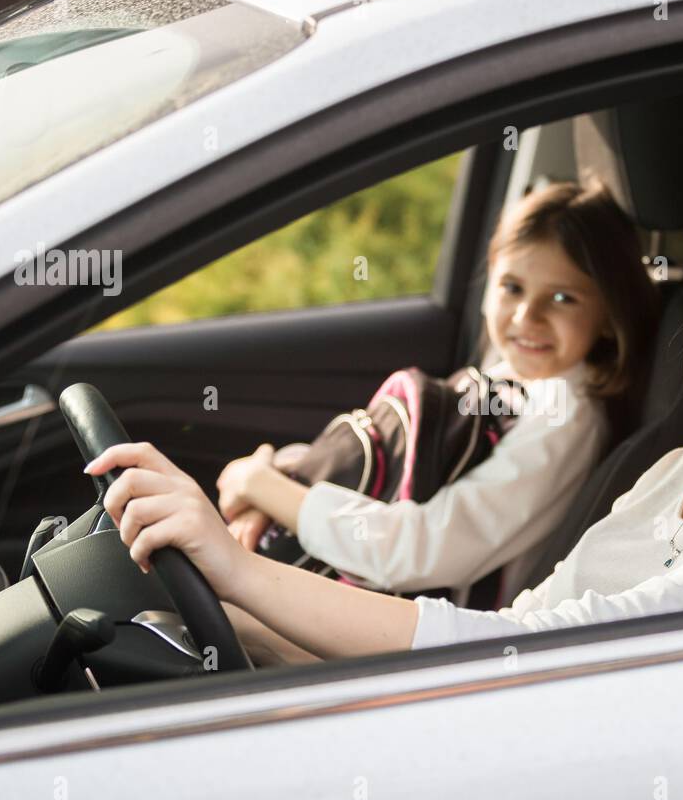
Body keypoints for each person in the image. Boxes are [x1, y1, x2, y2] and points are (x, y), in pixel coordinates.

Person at [85, 162, 683, 663]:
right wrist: (261, 629)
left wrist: (244, 574)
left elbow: (550, 657)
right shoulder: (681, 468)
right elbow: (521, 625)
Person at [212, 178, 658, 609]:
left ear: (607, 314)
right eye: (512, 287)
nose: (527, 316)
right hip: (371, 587)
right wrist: (276, 490)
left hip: (422, 627)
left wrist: (260, 484)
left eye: (563, 298)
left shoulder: (564, 419)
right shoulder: (511, 380)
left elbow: (419, 551)